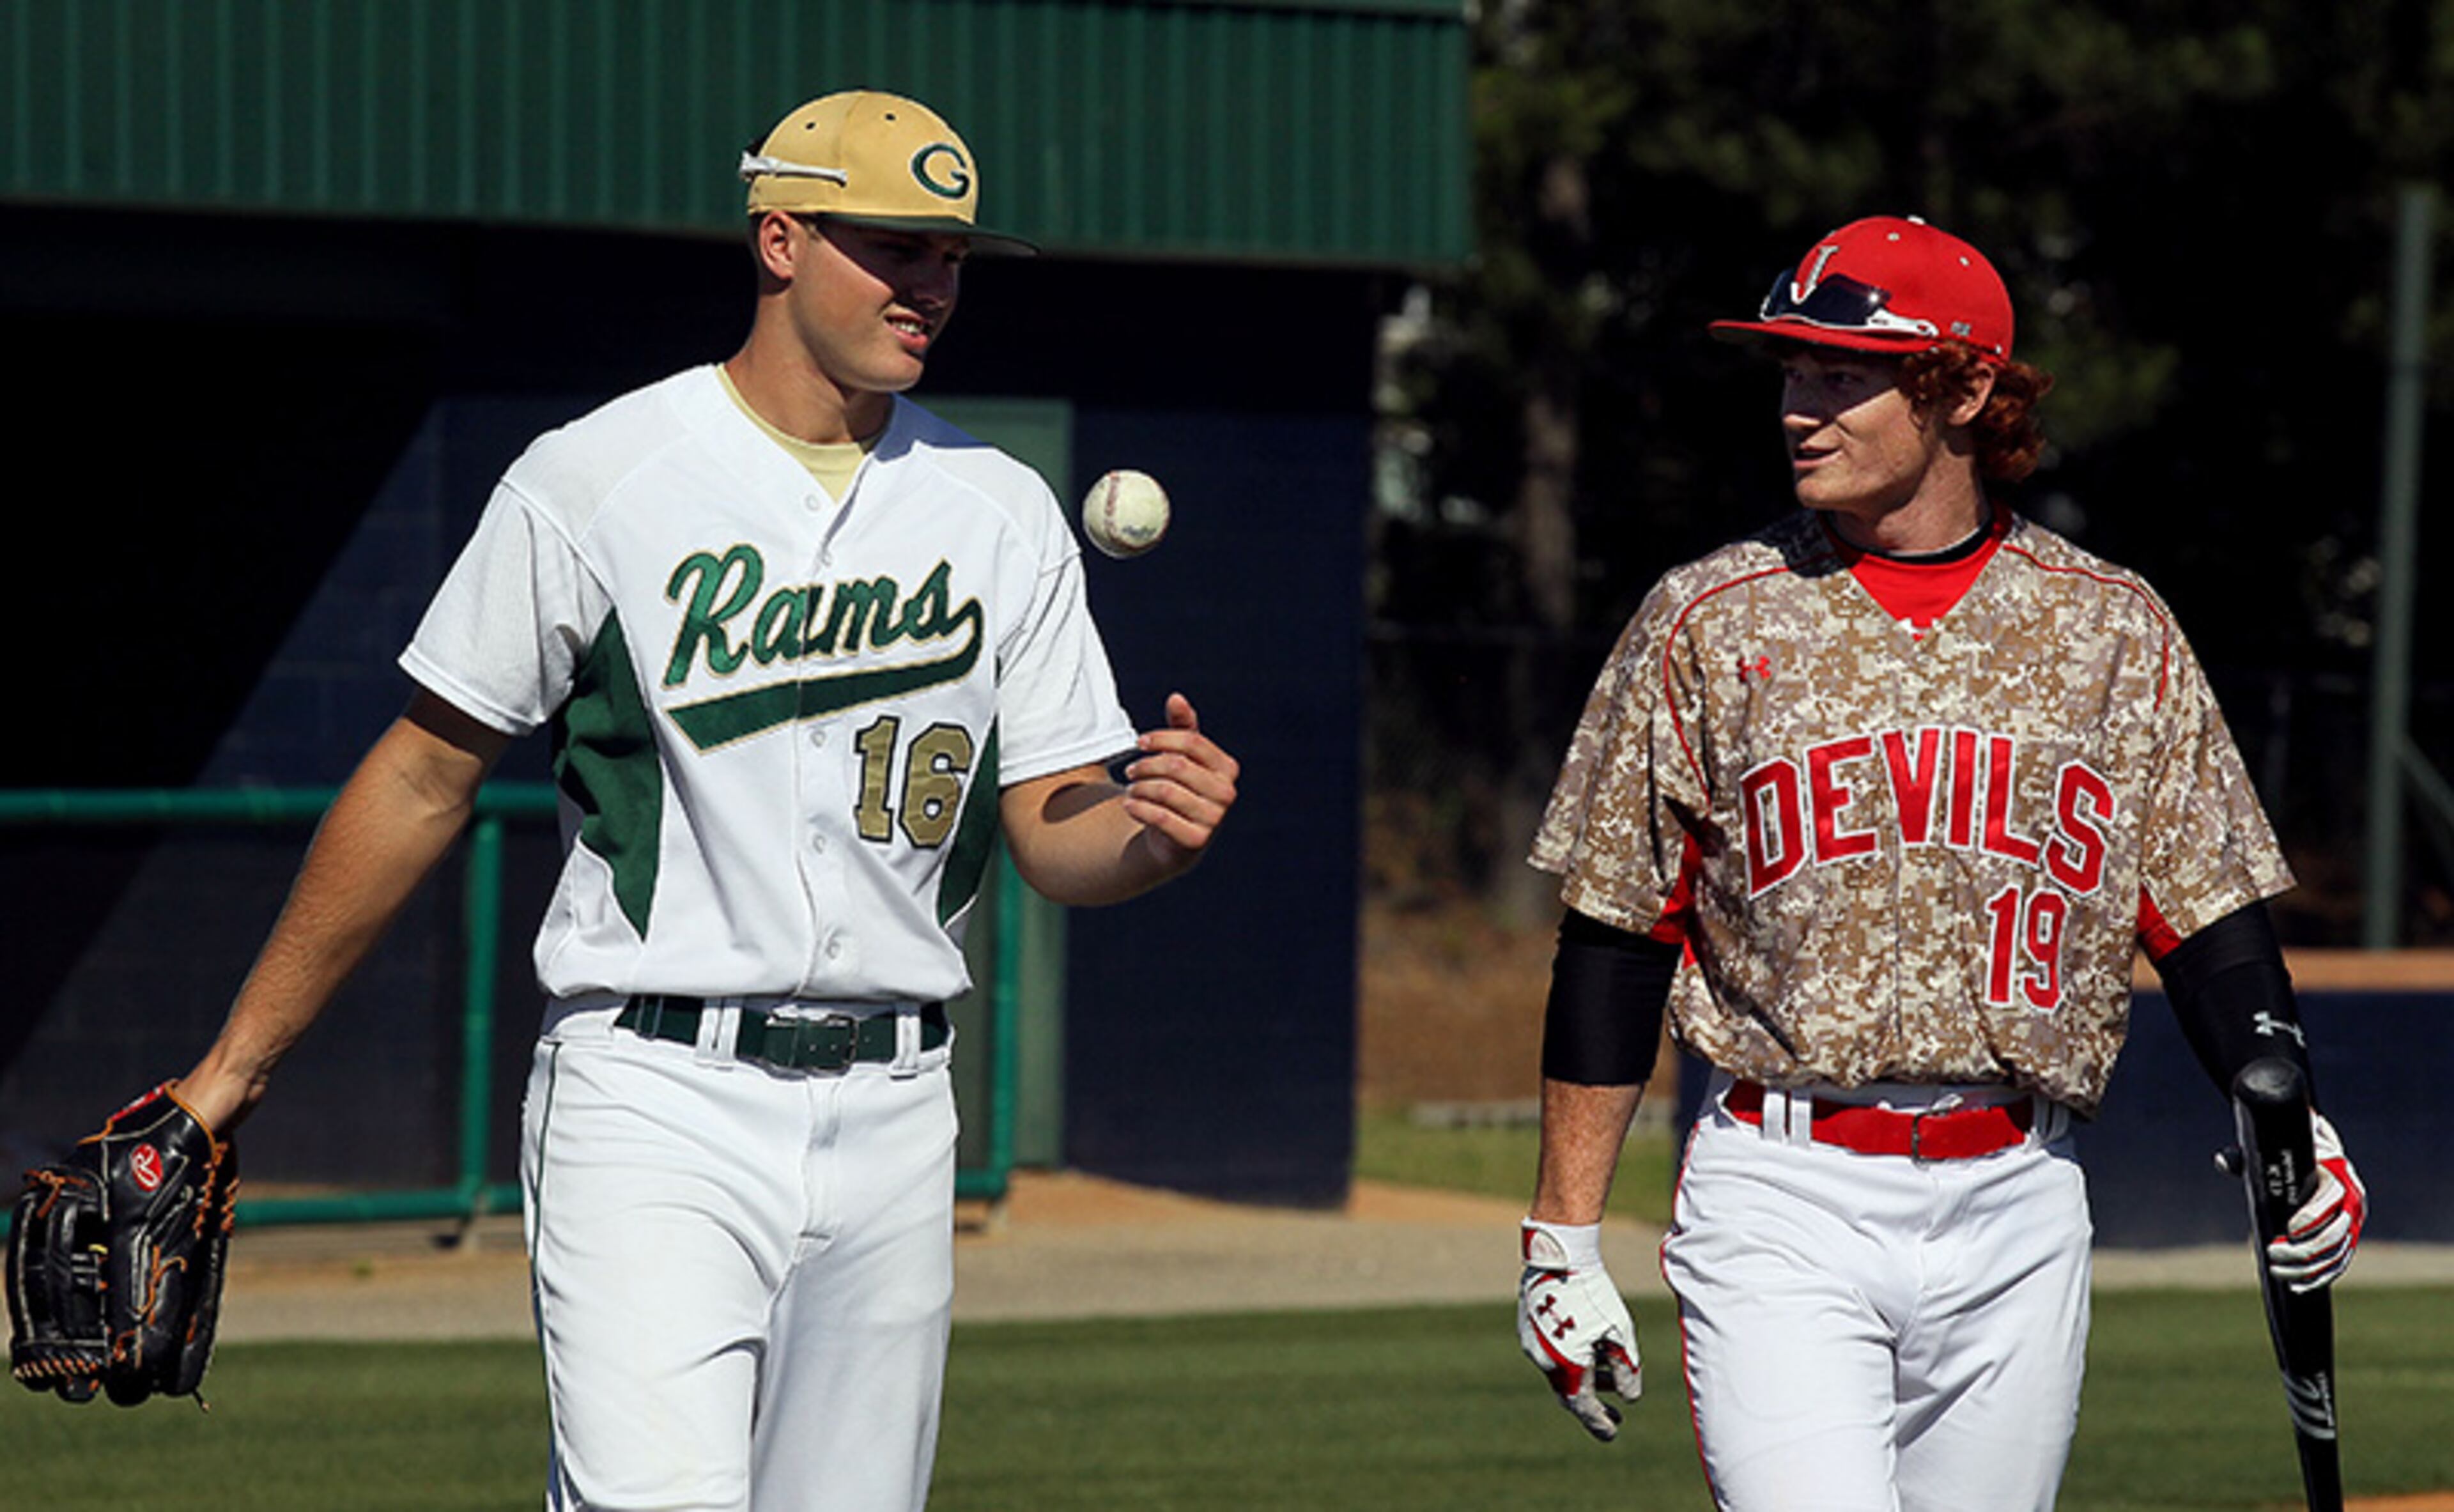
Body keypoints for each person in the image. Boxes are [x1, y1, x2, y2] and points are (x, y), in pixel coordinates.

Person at [168, 89, 1240, 1511]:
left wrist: (1150, 837)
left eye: (954, 255)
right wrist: (231, 1071)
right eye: (893, 246)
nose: (932, 283)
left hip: (900, 1108)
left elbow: (1054, 828)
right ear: (780, 237)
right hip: (655, 1093)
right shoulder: (599, 478)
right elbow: (425, 770)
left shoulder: (996, 508)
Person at [1509, 215, 2366, 1511]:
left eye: (1842, 372)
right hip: (1784, 1191)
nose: (1800, 405)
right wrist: (1563, 1237)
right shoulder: (1707, 617)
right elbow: (1621, 936)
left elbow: (2208, 921)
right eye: (1791, 371)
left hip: (2021, 1199)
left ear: (1965, 388)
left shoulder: (2111, 631)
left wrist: (2291, 1111)